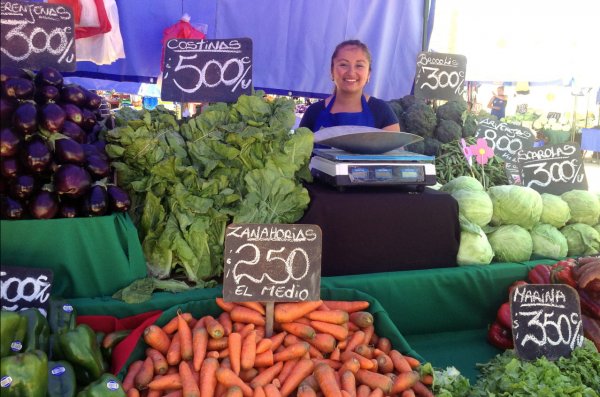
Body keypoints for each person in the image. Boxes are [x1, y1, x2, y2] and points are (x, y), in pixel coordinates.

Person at [299, 40, 400, 132]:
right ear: (332, 71)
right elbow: (300, 151)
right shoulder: (314, 112)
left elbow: (397, 151)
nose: (351, 72)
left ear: (369, 74)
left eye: (359, 65)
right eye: (343, 64)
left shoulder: (381, 111)